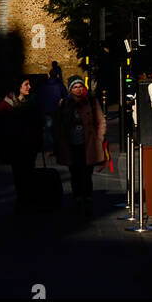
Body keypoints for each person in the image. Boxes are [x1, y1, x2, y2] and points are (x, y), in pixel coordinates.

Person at [54, 76, 106, 215]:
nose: (78, 89)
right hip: (71, 144)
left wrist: (99, 138)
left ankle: (87, 196)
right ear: (71, 89)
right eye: (75, 87)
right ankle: (77, 196)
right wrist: (59, 140)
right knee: (75, 172)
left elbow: (101, 121)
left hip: (88, 143)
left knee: (87, 172)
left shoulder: (91, 102)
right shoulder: (65, 103)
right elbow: (58, 124)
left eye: (80, 86)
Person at [0, 77, 41, 204]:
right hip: (15, 146)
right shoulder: (5, 105)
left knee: (29, 173)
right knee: (19, 174)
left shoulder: (30, 103)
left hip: (29, 146)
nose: (29, 87)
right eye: (26, 84)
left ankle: (28, 198)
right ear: (18, 87)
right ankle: (22, 198)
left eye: (29, 84)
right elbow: (0, 128)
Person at [38, 67, 67, 155]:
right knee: (58, 130)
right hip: (57, 110)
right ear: (57, 75)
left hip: (47, 110)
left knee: (48, 130)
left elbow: (40, 98)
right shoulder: (60, 85)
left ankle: (50, 149)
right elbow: (65, 96)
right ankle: (58, 148)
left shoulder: (43, 85)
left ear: (49, 75)